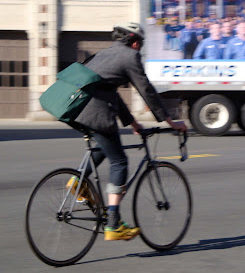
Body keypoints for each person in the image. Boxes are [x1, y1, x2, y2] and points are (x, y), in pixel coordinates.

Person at [71, 22, 187, 241]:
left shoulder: (106, 54)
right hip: (96, 112)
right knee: (120, 162)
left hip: (78, 110)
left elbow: (110, 92)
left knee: (106, 146)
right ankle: (113, 224)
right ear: (135, 42)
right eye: (140, 45)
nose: (140, 49)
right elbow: (147, 90)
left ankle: (77, 180)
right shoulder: (130, 57)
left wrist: (133, 123)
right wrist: (170, 122)